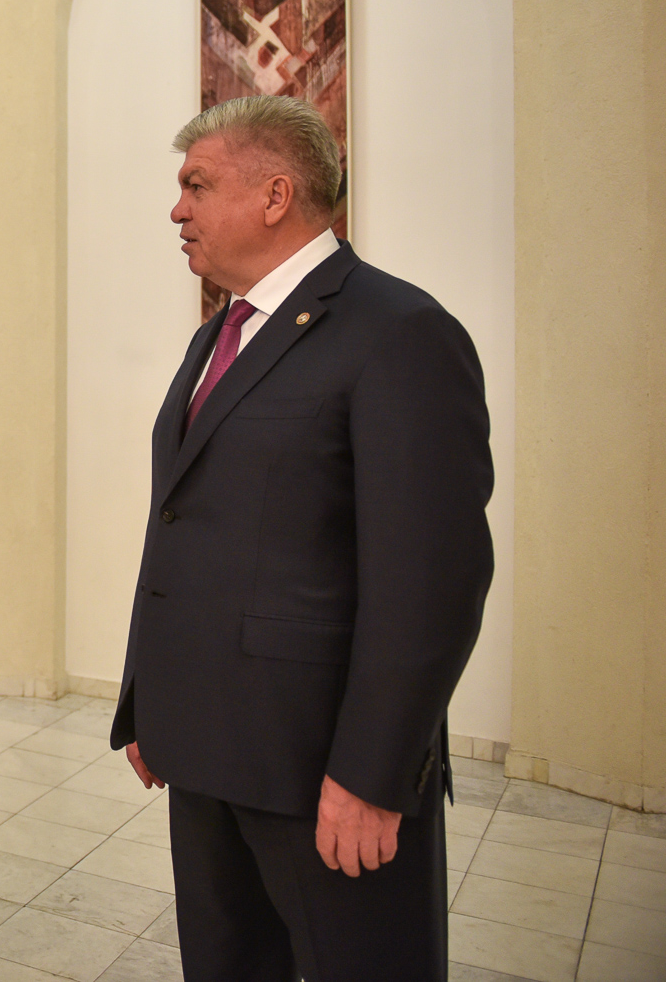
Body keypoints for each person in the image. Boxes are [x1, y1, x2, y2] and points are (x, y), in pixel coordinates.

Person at [110, 94, 493, 981]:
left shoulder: (400, 333)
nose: (177, 210)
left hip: (318, 770)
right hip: (205, 749)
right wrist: (150, 705)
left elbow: (431, 581)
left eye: (197, 186)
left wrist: (371, 775)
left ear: (276, 195)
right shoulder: (223, 331)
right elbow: (184, 527)